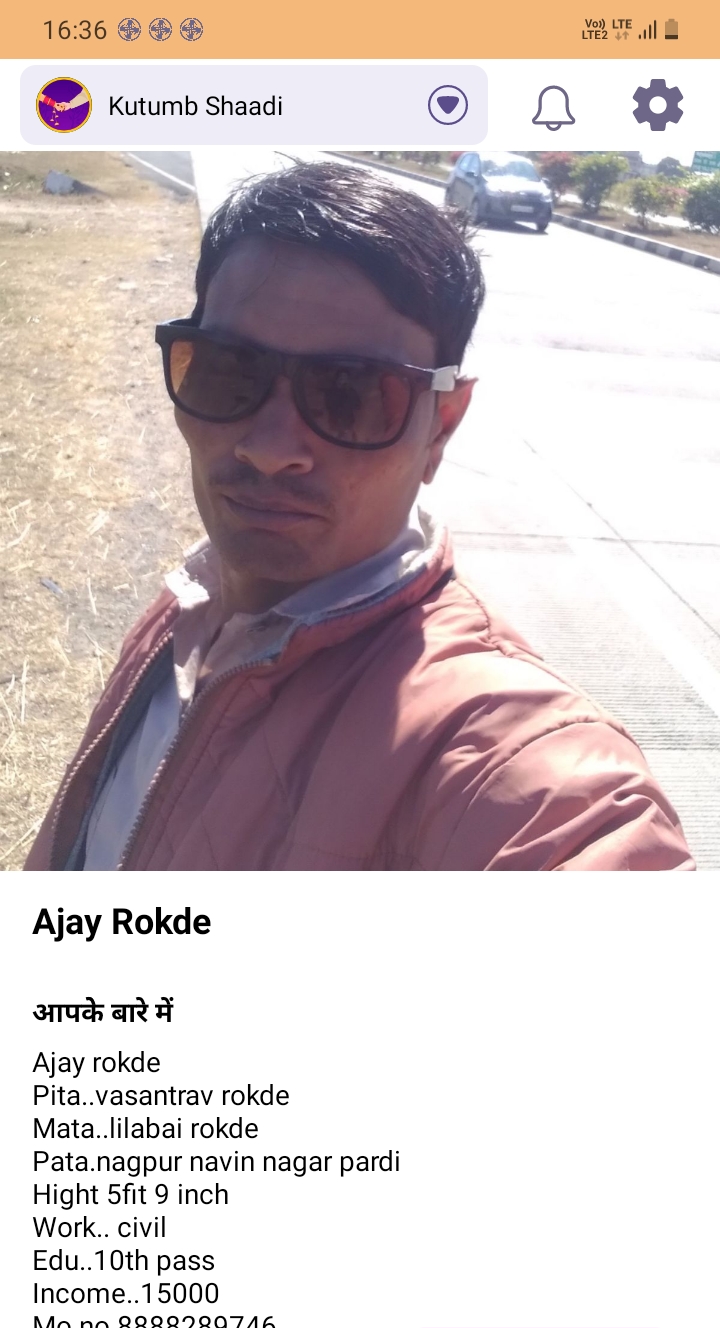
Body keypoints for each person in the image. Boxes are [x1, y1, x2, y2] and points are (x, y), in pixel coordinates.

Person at [25, 161, 693, 871]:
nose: (269, 449)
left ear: (441, 426)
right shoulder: (191, 602)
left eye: (351, 395)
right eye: (228, 370)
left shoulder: (506, 755)